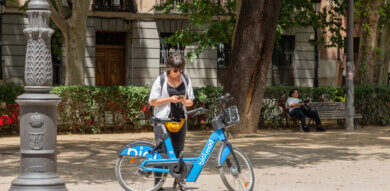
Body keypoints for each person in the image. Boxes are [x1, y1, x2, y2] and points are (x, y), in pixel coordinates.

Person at [148, 52, 194, 190]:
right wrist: (170, 99)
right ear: (169, 68)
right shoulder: (161, 79)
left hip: (180, 120)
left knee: (179, 152)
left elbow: (191, 101)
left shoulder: (185, 79)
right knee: (161, 153)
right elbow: (152, 101)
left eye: (180, 70)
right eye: (175, 70)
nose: (178, 73)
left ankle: (179, 181)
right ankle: (158, 184)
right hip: (163, 122)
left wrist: (186, 101)